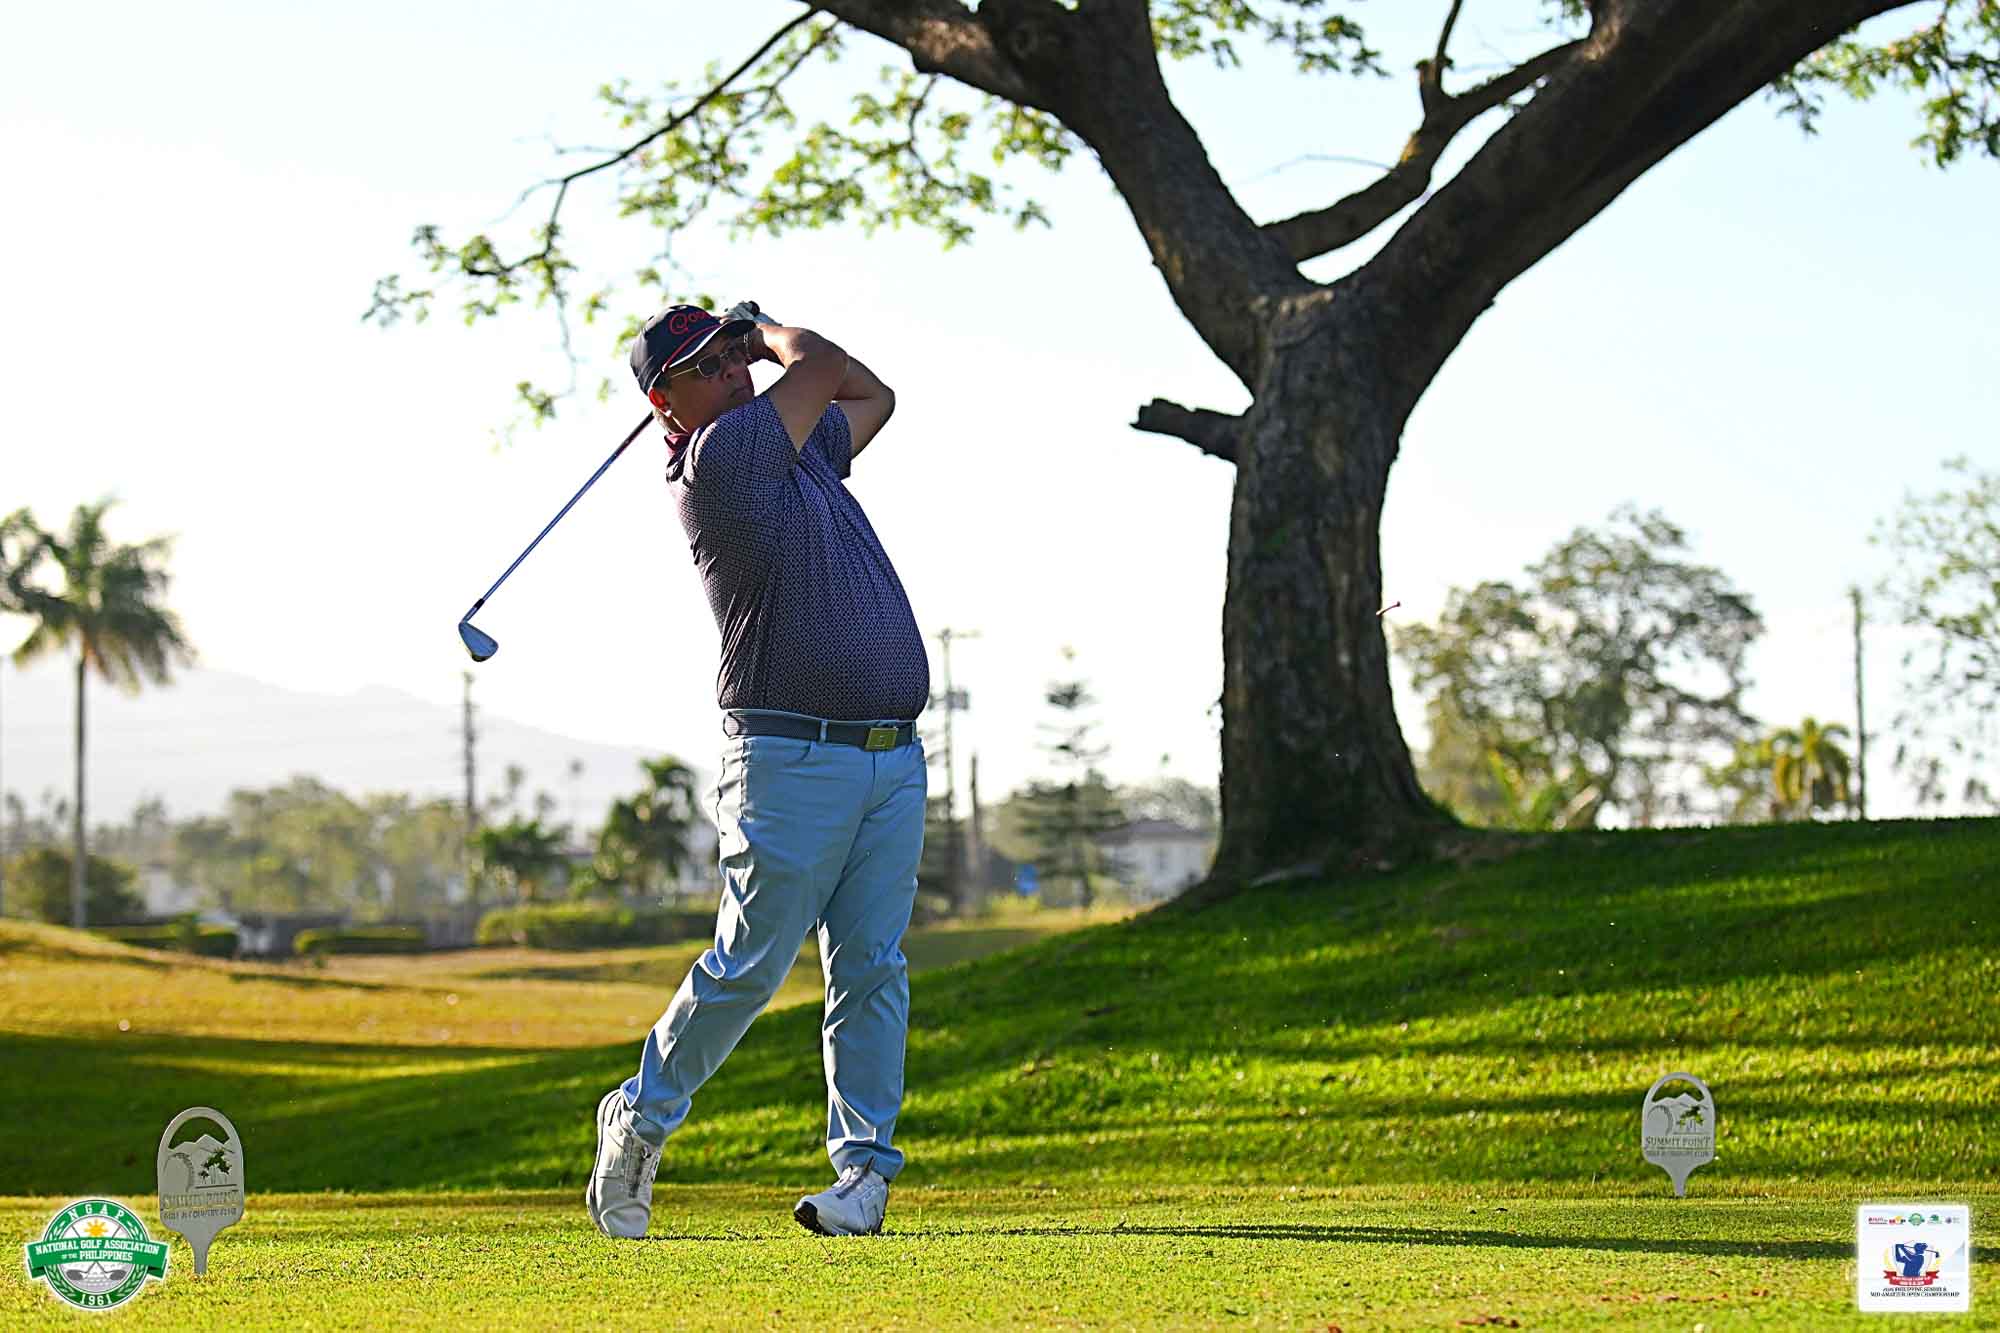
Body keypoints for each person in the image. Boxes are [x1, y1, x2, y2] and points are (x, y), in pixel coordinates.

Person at [585, 302, 929, 1240]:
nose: (731, 371)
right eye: (706, 365)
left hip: (890, 754)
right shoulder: (719, 460)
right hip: (789, 757)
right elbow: (824, 362)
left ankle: (863, 1174)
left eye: (731, 355)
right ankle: (641, 1116)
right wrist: (766, 328)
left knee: (871, 968)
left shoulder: (797, 451)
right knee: (750, 963)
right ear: (665, 403)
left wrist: (753, 346)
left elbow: (874, 396)